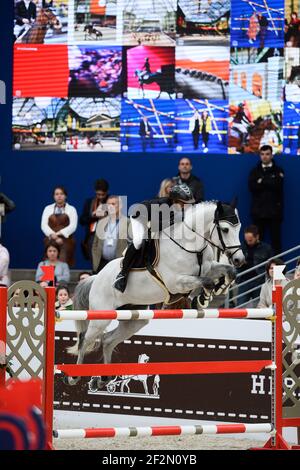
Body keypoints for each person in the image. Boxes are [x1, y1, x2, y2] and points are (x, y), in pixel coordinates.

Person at [113, 184, 195, 293]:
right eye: (184, 203)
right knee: (138, 242)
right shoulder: (163, 206)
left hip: (152, 219)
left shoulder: (177, 208)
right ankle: (122, 274)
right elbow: (155, 226)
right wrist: (175, 219)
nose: (186, 206)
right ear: (175, 200)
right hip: (139, 216)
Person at [248, 145, 284, 254]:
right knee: (258, 244)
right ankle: (259, 271)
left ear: (272, 155)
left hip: (274, 213)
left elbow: (277, 186)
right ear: (260, 155)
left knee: (276, 243)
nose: (265, 157)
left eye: (267, 154)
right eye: (262, 154)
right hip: (258, 213)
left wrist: (262, 181)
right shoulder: (254, 171)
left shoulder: (279, 171)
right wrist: (269, 181)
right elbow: (252, 187)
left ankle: (279, 271)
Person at [92, 195, 131, 274]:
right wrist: (95, 261)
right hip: (102, 263)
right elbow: (95, 244)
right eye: (108, 204)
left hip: (119, 263)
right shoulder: (101, 222)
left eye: (113, 204)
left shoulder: (128, 222)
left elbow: (131, 243)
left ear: (120, 206)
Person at [41, 186, 78, 267]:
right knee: (48, 261)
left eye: (61, 194)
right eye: (57, 194)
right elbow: (44, 225)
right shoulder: (47, 208)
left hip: (66, 240)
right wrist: (53, 235)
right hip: (50, 239)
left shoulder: (71, 209)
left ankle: (62, 279)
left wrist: (58, 234)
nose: (59, 196)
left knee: (63, 261)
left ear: (65, 196)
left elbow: (73, 226)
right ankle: (49, 279)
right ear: (54, 196)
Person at [238, 225, 273, 306]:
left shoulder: (267, 248)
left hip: (259, 282)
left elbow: (272, 264)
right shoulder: (241, 248)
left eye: (250, 240)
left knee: (259, 308)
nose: (248, 242)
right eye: (246, 240)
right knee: (239, 308)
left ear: (257, 236)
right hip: (243, 281)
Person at [79, 179, 109, 261]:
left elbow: (119, 219)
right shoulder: (89, 202)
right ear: (95, 192)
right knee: (95, 263)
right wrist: (94, 216)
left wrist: (107, 214)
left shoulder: (112, 201)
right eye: (98, 194)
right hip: (92, 236)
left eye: (103, 194)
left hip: (108, 236)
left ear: (107, 192)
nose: (101, 197)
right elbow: (82, 221)